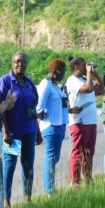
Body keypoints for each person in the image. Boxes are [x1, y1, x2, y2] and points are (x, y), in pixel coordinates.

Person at [0, 52, 39, 207]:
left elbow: (33, 108)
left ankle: (27, 198)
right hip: (13, 133)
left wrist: (38, 131)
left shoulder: (29, 82)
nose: (20, 65)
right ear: (12, 63)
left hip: (29, 130)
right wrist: (6, 131)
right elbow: (1, 108)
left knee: (28, 164)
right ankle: (6, 200)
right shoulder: (6, 81)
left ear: (27, 63)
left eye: (23, 62)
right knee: (10, 164)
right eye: (17, 62)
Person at [66, 56, 104, 187]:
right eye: (84, 65)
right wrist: (89, 73)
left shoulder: (85, 78)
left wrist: (95, 73)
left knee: (89, 152)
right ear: (76, 67)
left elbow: (100, 88)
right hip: (79, 122)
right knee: (78, 152)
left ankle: (88, 178)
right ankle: (75, 181)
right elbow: (87, 89)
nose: (86, 66)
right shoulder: (72, 80)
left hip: (91, 120)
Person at [36, 59, 69, 195]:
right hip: (51, 126)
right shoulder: (45, 85)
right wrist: (41, 117)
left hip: (60, 125)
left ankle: (51, 188)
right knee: (50, 157)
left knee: (55, 158)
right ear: (54, 72)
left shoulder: (54, 85)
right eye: (63, 72)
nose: (64, 75)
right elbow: (39, 107)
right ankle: (49, 190)